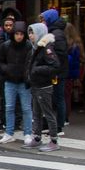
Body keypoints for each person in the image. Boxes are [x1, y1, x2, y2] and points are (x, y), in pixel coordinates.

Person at [23, 23, 60, 151]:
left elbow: (55, 66)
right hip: (36, 85)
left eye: (33, 32)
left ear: (39, 33)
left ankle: (54, 140)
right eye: (29, 32)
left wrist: (36, 70)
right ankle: (37, 138)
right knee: (36, 113)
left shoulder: (46, 47)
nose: (30, 35)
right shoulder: (36, 47)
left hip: (44, 86)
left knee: (48, 113)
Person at [0, 22, 33, 145]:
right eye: (17, 34)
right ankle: (9, 132)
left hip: (23, 81)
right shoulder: (6, 46)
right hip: (10, 80)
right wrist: (6, 69)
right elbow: (0, 61)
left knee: (26, 108)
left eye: (21, 34)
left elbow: (30, 63)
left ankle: (27, 133)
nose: (19, 36)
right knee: (10, 108)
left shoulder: (28, 46)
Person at [40, 8, 68, 134]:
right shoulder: (55, 32)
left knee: (58, 98)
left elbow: (61, 53)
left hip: (58, 72)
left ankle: (59, 126)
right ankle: (52, 124)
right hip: (56, 71)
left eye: (44, 19)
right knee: (53, 98)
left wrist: (51, 59)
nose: (43, 22)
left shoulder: (57, 34)